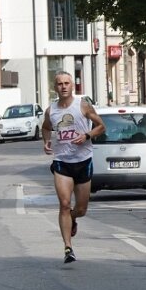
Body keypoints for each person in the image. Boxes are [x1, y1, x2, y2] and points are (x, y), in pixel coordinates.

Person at [42, 71, 106, 263]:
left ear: (72, 86)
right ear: (55, 88)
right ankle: (68, 248)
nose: (63, 86)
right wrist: (46, 141)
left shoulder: (83, 105)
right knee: (63, 204)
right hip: (62, 162)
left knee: (81, 209)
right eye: (60, 84)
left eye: (67, 83)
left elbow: (101, 126)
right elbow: (46, 127)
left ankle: (73, 218)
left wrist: (86, 135)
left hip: (83, 161)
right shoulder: (51, 110)